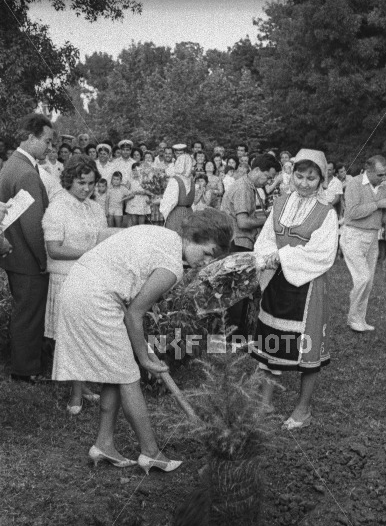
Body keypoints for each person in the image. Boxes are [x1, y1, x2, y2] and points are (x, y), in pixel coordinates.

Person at [52, 210, 233, 471]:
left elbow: (129, 299)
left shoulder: (165, 236)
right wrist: (145, 358)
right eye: (205, 253)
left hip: (84, 287)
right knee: (129, 376)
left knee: (114, 372)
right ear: (193, 237)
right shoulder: (171, 266)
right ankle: (150, 452)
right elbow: (136, 314)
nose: (204, 263)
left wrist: (140, 349)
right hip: (94, 298)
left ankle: (104, 444)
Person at [250, 149, 338, 430]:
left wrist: (284, 256)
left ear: (321, 180)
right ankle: (265, 401)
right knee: (270, 339)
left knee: (306, 347)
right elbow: (265, 238)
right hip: (277, 282)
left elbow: (323, 253)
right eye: (299, 175)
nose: (303, 183)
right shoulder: (280, 203)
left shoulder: (327, 213)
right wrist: (266, 257)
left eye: (310, 178)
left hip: (307, 286)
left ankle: (303, 408)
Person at [43, 154, 113, 413]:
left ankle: (81, 386)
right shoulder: (57, 207)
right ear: (69, 181)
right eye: (81, 183)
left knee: (85, 334)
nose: (86, 188)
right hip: (65, 278)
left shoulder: (95, 207)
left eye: (91, 183)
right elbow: (54, 249)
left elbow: (102, 238)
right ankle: (75, 394)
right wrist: (88, 251)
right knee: (71, 337)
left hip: (90, 277)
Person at [0, 113, 53, 382]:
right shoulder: (27, 172)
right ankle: (25, 370)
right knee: (29, 314)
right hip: (27, 258)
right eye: (46, 141)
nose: (49, 147)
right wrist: (43, 260)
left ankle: (22, 363)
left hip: (13, 254)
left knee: (23, 311)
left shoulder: (12, 164)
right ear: (31, 138)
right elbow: (33, 226)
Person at [221, 153, 279, 337]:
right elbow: (243, 223)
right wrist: (267, 219)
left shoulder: (249, 186)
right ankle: (235, 335)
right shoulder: (244, 189)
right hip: (237, 243)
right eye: (267, 177)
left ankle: (237, 332)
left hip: (239, 242)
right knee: (238, 291)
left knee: (239, 290)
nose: (268, 182)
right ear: (255, 170)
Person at [340, 155, 386, 332]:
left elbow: (381, 216)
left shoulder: (384, 188)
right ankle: (352, 318)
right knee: (362, 277)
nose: (383, 178)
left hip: (372, 237)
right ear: (368, 171)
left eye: (385, 174)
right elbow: (352, 213)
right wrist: (378, 204)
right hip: (353, 235)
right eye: (379, 175)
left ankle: (360, 319)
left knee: (368, 281)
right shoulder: (354, 184)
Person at [160, 153, 194, 233]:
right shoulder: (191, 180)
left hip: (177, 214)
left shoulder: (175, 180)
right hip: (189, 213)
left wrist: (160, 204)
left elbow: (170, 202)